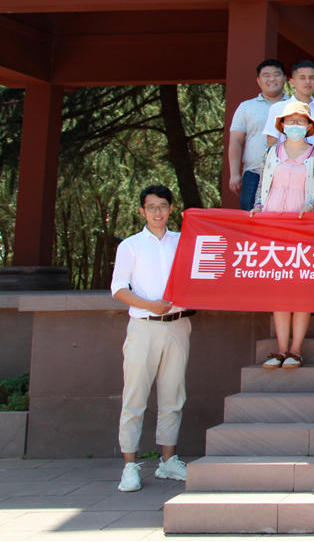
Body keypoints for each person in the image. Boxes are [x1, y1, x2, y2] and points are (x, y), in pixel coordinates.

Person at [111, 185, 191, 492]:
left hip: (177, 325)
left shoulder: (183, 242)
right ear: (142, 211)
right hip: (143, 326)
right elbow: (119, 288)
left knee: (173, 395)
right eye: (151, 207)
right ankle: (130, 465)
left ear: (171, 209)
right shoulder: (130, 246)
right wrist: (149, 305)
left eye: (162, 206)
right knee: (135, 396)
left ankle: (168, 461)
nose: (158, 212)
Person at [249, 101, 314, 369]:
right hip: (273, 230)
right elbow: (262, 187)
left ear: (309, 126)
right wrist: (258, 206)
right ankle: (280, 349)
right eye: (290, 121)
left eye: (300, 121)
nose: (295, 126)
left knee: (300, 290)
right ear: (282, 125)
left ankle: (296, 350)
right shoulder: (271, 153)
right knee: (279, 290)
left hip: (303, 229)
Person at [226, 58, 285, 210]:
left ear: (285, 78)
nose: (272, 79)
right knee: (251, 217)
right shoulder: (246, 107)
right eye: (266, 75)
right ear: (258, 80)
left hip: (289, 175)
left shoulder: (294, 106)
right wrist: (234, 174)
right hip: (254, 173)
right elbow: (236, 141)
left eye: (276, 74)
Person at [265, 60, 314, 153]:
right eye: (302, 78)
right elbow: (271, 143)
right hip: (283, 161)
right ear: (292, 82)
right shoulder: (278, 108)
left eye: (311, 78)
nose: (307, 81)